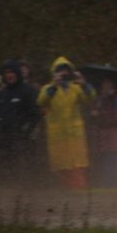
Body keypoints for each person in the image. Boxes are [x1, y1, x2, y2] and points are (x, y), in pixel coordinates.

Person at [37, 57, 96, 189]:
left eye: (66, 71)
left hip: (75, 136)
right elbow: (41, 101)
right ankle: (64, 191)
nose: (64, 74)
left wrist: (84, 84)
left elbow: (90, 98)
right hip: (57, 136)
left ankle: (78, 191)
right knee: (61, 167)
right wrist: (54, 86)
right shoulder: (48, 88)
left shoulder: (76, 88)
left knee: (77, 166)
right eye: (60, 71)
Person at [0, 60, 40, 183]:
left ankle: (31, 185)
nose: (9, 75)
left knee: (27, 166)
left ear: (17, 73)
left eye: (11, 72)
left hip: (24, 137)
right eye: (6, 73)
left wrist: (26, 131)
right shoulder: (2, 94)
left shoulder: (28, 91)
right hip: (6, 138)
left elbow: (35, 114)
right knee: (9, 167)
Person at [89, 78, 117, 188]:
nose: (107, 89)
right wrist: (95, 114)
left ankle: (111, 183)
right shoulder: (99, 100)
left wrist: (102, 115)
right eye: (105, 86)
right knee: (102, 160)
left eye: (109, 86)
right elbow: (93, 118)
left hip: (113, 136)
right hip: (101, 137)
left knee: (112, 160)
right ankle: (103, 183)